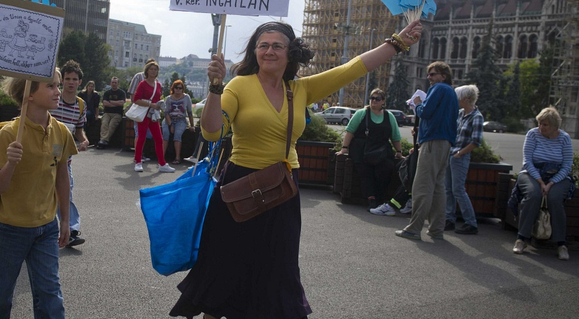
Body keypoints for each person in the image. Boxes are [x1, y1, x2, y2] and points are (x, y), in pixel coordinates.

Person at [170, 20, 422, 318]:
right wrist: (215, 88)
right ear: (255, 51)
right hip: (239, 186)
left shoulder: (300, 89)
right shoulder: (239, 85)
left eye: (278, 46)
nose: (269, 51)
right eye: (263, 45)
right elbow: (212, 132)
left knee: (277, 268)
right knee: (227, 266)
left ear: (291, 53)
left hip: (282, 189)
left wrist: (396, 43)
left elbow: (352, 68)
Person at [0, 75, 78, 318]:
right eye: (51, 86)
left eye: (58, 85)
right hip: (8, 228)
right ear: (29, 94)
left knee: (50, 296)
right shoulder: (9, 134)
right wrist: (10, 163)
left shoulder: (61, 131)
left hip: (46, 228)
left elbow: (63, 177)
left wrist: (64, 219)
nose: (58, 91)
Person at [396, 61, 459, 241]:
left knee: (422, 186)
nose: (429, 77)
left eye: (433, 74)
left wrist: (417, 104)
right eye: (429, 74)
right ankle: (436, 229)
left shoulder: (438, 89)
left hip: (432, 142)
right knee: (438, 187)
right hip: (445, 142)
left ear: (443, 76)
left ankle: (414, 228)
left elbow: (426, 112)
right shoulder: (451, 93)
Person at [511, 107, 573, 260]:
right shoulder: (532, 134)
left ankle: (561, 244)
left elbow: (567, 166)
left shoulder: (564, 138)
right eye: (539, 123)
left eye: (545, 125)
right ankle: (522, 239)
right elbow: (527, 161)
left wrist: (551, 182)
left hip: (556, 175)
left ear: (554, 126)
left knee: (554, 198)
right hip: (532, 173)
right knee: (533, 194)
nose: (541, 127)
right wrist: (539, 180)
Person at [337, 88, 404, 215]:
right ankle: (371, 199)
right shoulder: (361, 113)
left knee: (386, 169)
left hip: (381, 151)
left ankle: (380, 199)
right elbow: (350, 131)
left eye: (377, 99)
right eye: (372, 98)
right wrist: (344, 148)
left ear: (383, 101)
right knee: (365, 172)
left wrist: (399, 151)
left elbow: (395, 136)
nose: (374, 101)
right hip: (361, 150)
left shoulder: (389, 116)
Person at [49, 60, 90, 247]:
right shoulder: (52, 100)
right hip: (44, 156)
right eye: (67, 79)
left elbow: (79, 130)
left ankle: (72, 230)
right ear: (62, 80)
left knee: (66, 194)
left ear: (80, 82)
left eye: (74, 79)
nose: (71, 82)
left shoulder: (81, 105)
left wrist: (84, 140)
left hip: (65, 160)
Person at [444, 85, 484, 235]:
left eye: (458, 96)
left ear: (466, 99)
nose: (456, 99)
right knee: (448, 188)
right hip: (451, 154)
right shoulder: (460, 114)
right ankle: (449, 219)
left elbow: (476, 142)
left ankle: (471, 222)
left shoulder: (477, 117)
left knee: (458, 190)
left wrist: (460, 153)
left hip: (459, 157)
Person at [132, 60, 174, 173]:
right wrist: (151, 104)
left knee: (159, 138)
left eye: (155, 69)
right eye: (151, 69)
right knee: (141, 137)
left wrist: (159, 104)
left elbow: (157, 99)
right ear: (147, 71)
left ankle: (162, 163)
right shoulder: (142, 84)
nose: (153, 71)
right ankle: (138, 162)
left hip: (153, 114)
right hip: (144, 113)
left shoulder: (158, 85)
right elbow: (136, 99)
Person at [162, 80, 195, 164]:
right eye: (176, 88)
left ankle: (177, 157)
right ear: (173, 89)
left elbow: (190, 112)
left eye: (180, 88)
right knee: (165, 133)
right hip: (169, 119)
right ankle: (161, 157)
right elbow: (166, 113)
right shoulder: (169, 98)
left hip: (181, 120)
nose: (178, 90)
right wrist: (170, 125)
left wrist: (192, 125)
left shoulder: (186, 97)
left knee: (177, 134)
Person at [97, 77, 126, 149]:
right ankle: (104, 140)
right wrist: (116, 103)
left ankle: (103, 140)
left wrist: (111, 102)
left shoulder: (122, 93)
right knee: (104, 124)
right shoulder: (107, 93)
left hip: (117, 113)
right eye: (112, 82)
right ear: (110, 83)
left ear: (118, 84)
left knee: (111, 125)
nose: (114, 84)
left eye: (115, 82)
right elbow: (105, 103)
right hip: (107, 112)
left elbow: (122, 103)